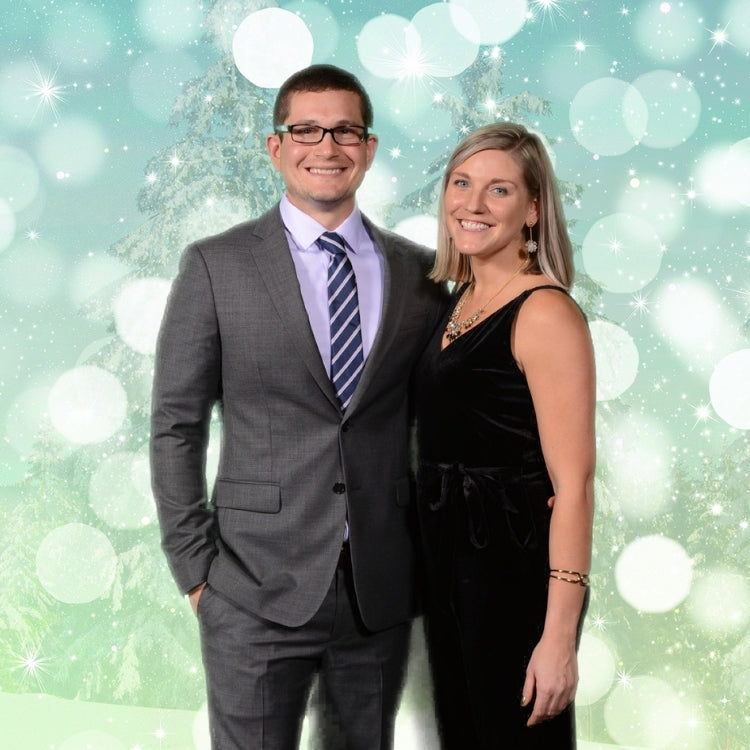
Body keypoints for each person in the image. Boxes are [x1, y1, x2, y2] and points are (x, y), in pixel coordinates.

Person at [150, 64, 445, 750]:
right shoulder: (216, 266)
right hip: (251, 589)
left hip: (378, 594)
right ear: (275, 147)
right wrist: (196, 573)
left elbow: (436, 424)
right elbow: (175, 426)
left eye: (345, 130)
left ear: (369, 148)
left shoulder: (422, 275)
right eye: (306, 130)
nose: (327, 147)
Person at [414, 122, 595, 748]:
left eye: (499, 189)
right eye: (461, 183)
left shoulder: (544, 311)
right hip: (448, 568)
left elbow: (574, 486)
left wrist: (559, 638)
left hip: (510, 573)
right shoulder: (459, 298)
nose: (473, 203)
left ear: (533, 209)